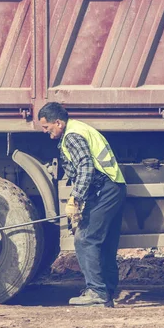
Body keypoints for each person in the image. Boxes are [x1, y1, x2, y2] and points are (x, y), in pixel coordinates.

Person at [38, 102, 127, 308]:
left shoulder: (72, 136)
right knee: (104, 243)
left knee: (85, 239)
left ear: (58, 123)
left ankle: (96, 292)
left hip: (104, 190)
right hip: (114, 188)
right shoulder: (79, 128)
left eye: (46, 127)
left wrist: (75, 198)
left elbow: (86, 167)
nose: (45, 131)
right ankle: (105, 291)